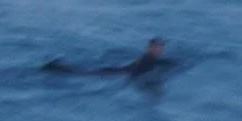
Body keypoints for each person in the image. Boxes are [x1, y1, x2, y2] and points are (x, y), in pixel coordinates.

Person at [42, 38, 176, 78]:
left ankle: (57, 67)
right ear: (150, 47)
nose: (160, 50)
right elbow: (138, 71)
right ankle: (56, 68)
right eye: (157, 47)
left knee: (84, 72)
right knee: (84, 73)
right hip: (119, 72)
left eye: (161, 48)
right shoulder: (148, 58)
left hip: (118, 70)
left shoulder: (149, 58)